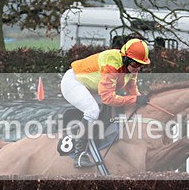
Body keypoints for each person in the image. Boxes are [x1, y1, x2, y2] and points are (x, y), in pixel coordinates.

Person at [60, 38, 151, 166]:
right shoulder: (112, 64)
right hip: (73, 82)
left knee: (109, 108)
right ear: (125, 59)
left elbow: (132, 91)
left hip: (91, 87)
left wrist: (142, 100)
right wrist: (135, 99)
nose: (138, 68)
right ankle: (79, 154)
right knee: (92, 111)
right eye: (136, 64)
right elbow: (108, 97)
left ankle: (96, 139)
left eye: (142, 65)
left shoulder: (130, 69)